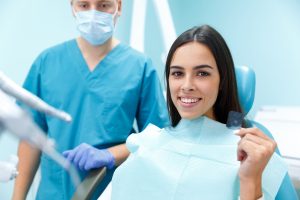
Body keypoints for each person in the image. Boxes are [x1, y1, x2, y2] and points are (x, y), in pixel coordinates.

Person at [12, 0, 169, 199]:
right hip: (54, 193)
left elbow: (157, 139)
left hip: (112, 192)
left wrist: (110, 155)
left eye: (103, 5)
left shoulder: (140, 67)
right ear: (72, 7)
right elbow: (30, 138)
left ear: (118, 7)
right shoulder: (47, 62)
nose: (93, 14)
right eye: (84, 5)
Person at [110, 25, 287, 200]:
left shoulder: (251, 151)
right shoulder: (146, 145)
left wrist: (250, 180)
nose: (186, 86)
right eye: (177, 73)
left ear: (223, 79)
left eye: (202, 73)